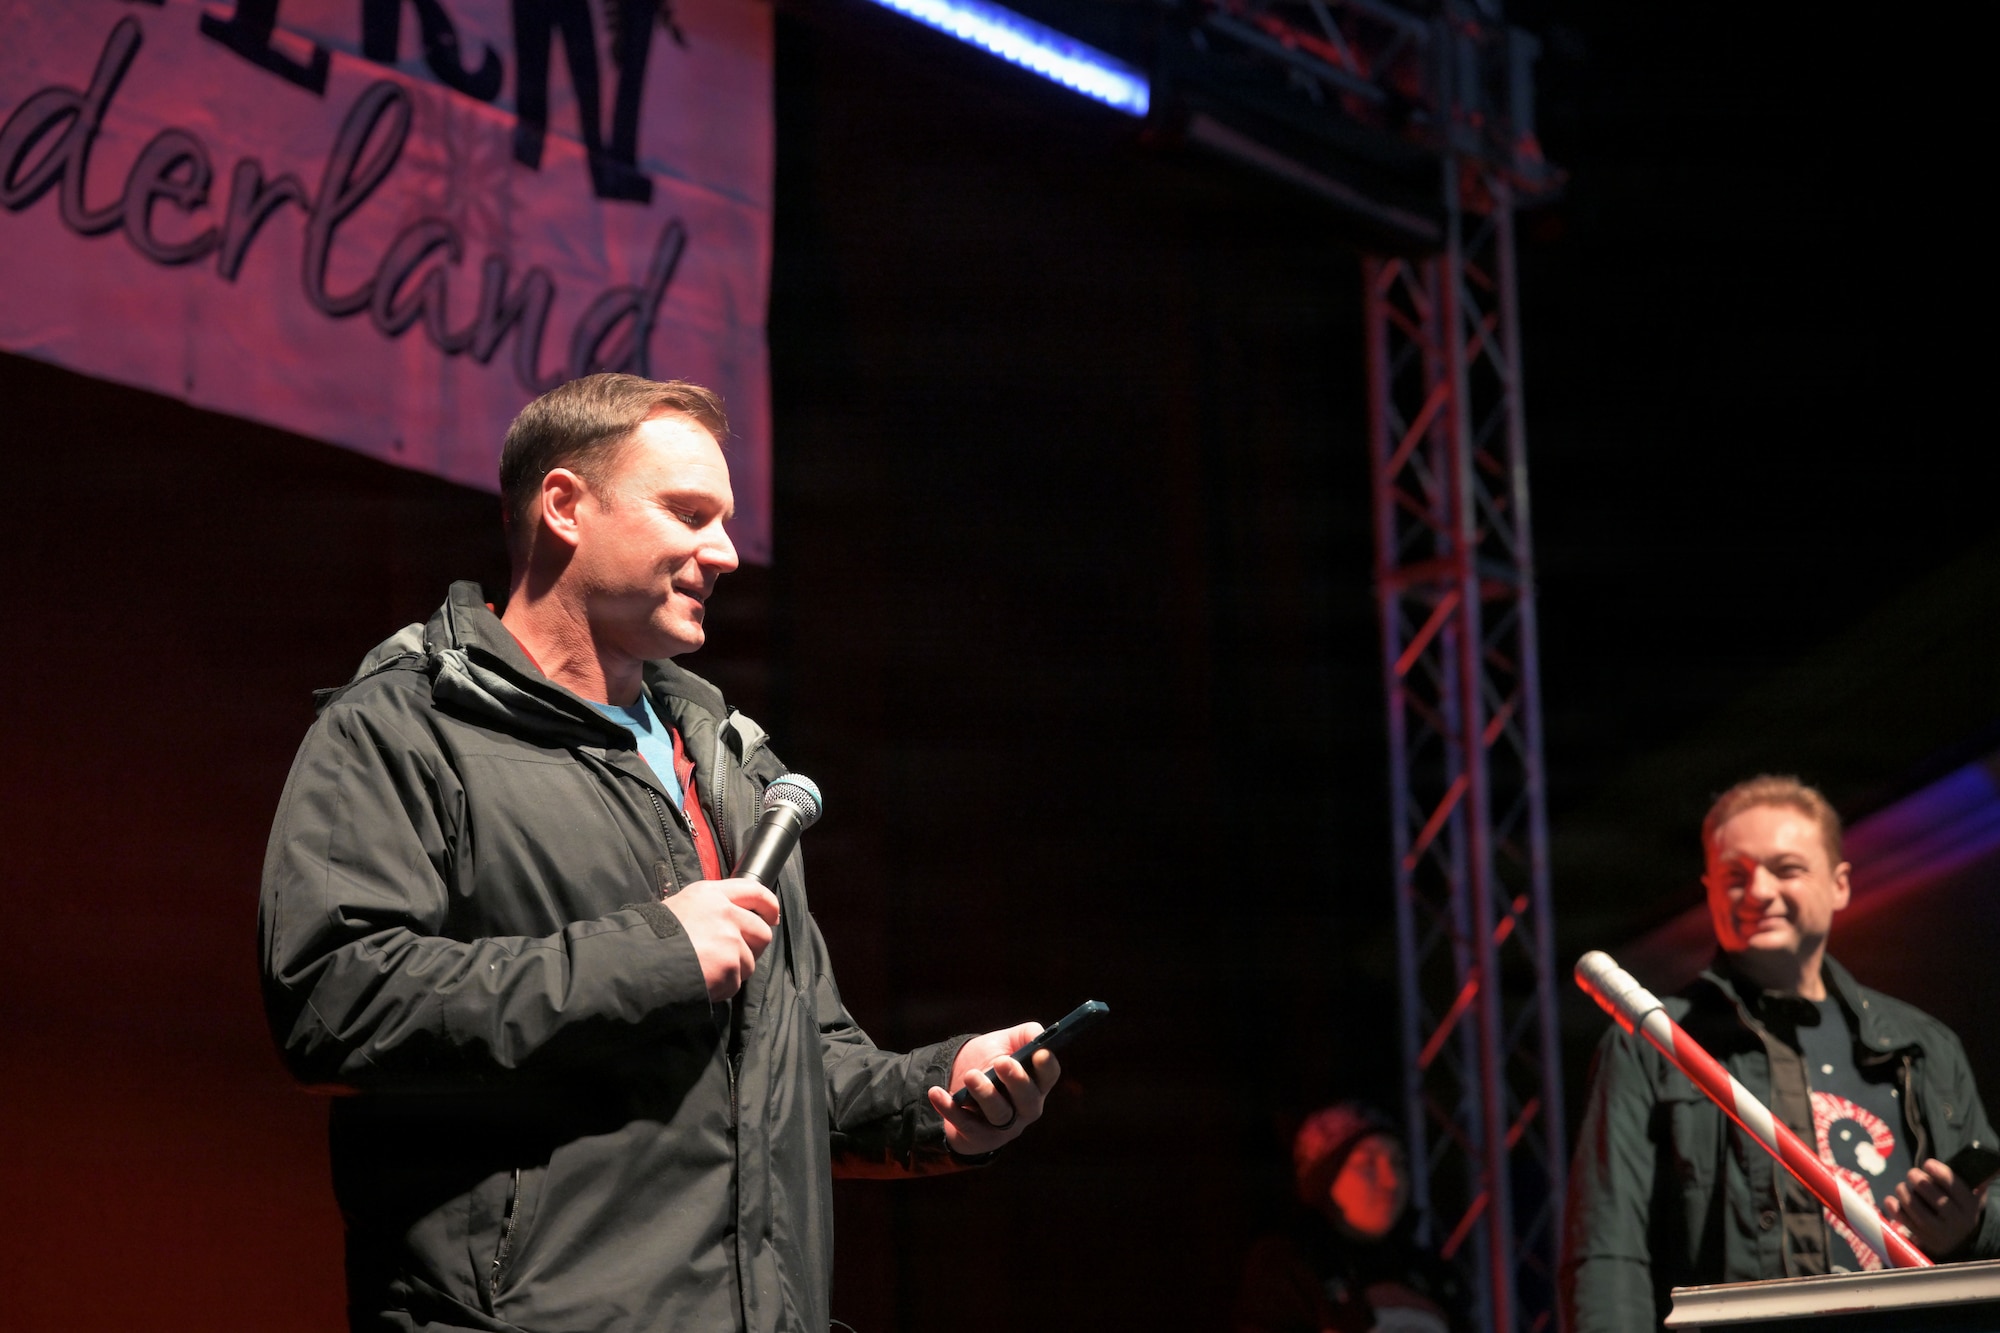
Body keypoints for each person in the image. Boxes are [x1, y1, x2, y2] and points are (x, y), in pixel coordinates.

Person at [259, 373, 1060, 1332]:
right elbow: (334, 999)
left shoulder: (729, 765)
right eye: (689, 513)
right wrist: (657, 955)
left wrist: (941, 1098)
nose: (723, 552)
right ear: (564, 506)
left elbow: (795, 1068)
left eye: (724, 520)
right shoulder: (404, 728)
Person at [1561, 774, 2000, 1330]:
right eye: (1734, 876)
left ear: (1839, 884)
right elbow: (1607, 1250)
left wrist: (1969, 1226)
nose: (1759, 891)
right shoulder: (1652, 1043)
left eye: (1786, 868)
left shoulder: (1926, 1045)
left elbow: (1990, 1227)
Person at [1233, 1102, 1468, 1333]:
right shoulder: (1290, 1265)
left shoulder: (1431, 1272)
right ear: (1325, 1179)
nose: (1391, 1181)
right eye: (1367, 1164)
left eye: (1398, 1163)